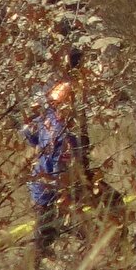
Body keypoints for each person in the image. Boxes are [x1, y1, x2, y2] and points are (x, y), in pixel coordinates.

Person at [22, 81, 86, 260]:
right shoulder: (64, 136)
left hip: (40, 184)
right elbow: (62, 172)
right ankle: (32, 267)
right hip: (50, 190)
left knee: (47, 231)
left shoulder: (45, 118)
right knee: (45, 235)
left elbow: (28, 131)